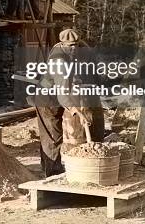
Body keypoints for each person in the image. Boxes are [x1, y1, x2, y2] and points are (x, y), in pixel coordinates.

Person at [33, 28, 105, 177]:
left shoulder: (83, 49)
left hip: (60, 92)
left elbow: (92, 76)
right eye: (70, 46)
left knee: (52, 136)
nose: (73, 49)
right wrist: (77, 111)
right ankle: (53, 173)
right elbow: (63, 94)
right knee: (52, 136)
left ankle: (48, 166)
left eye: (75, 45)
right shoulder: (59, 61)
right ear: (63, 44)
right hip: (47, 98)